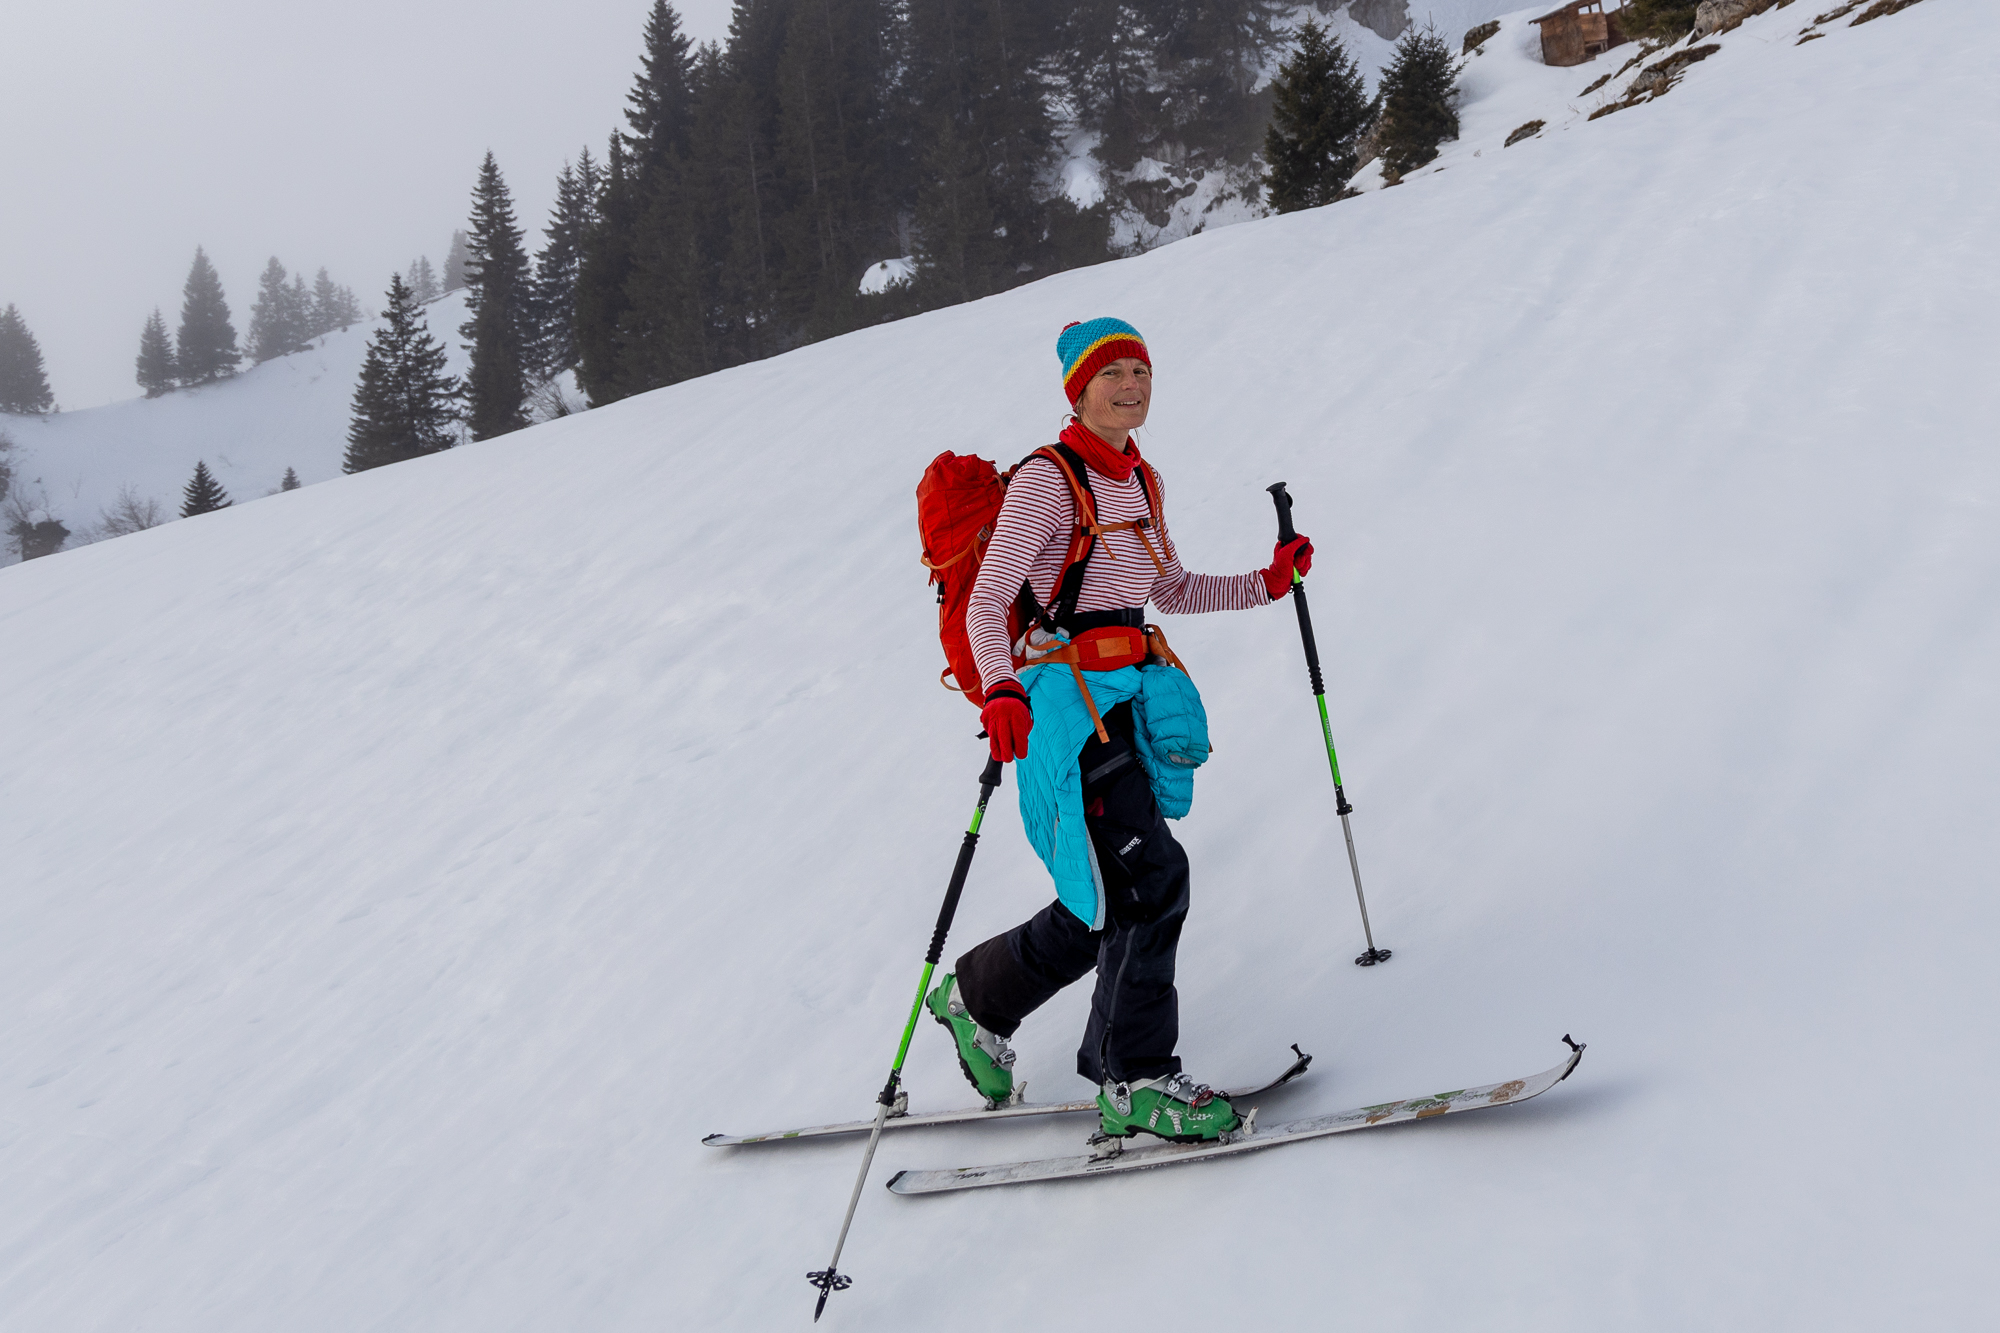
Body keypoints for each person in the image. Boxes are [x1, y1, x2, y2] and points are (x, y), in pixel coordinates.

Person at [925, 317, 1313, 1143]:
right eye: (1115, 373)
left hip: (1128, 698)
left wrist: (1266, 582)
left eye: (1142, 370)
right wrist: (1000, 689)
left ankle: (977, 997)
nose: (1132, 386)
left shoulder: (1142, 482)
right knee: (1150, 877)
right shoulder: (1046, 479)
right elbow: (992, 599)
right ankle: (1133, 1076)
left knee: (1106, 896)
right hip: (1063, 706)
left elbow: (1169, 590)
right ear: (1079, 387)